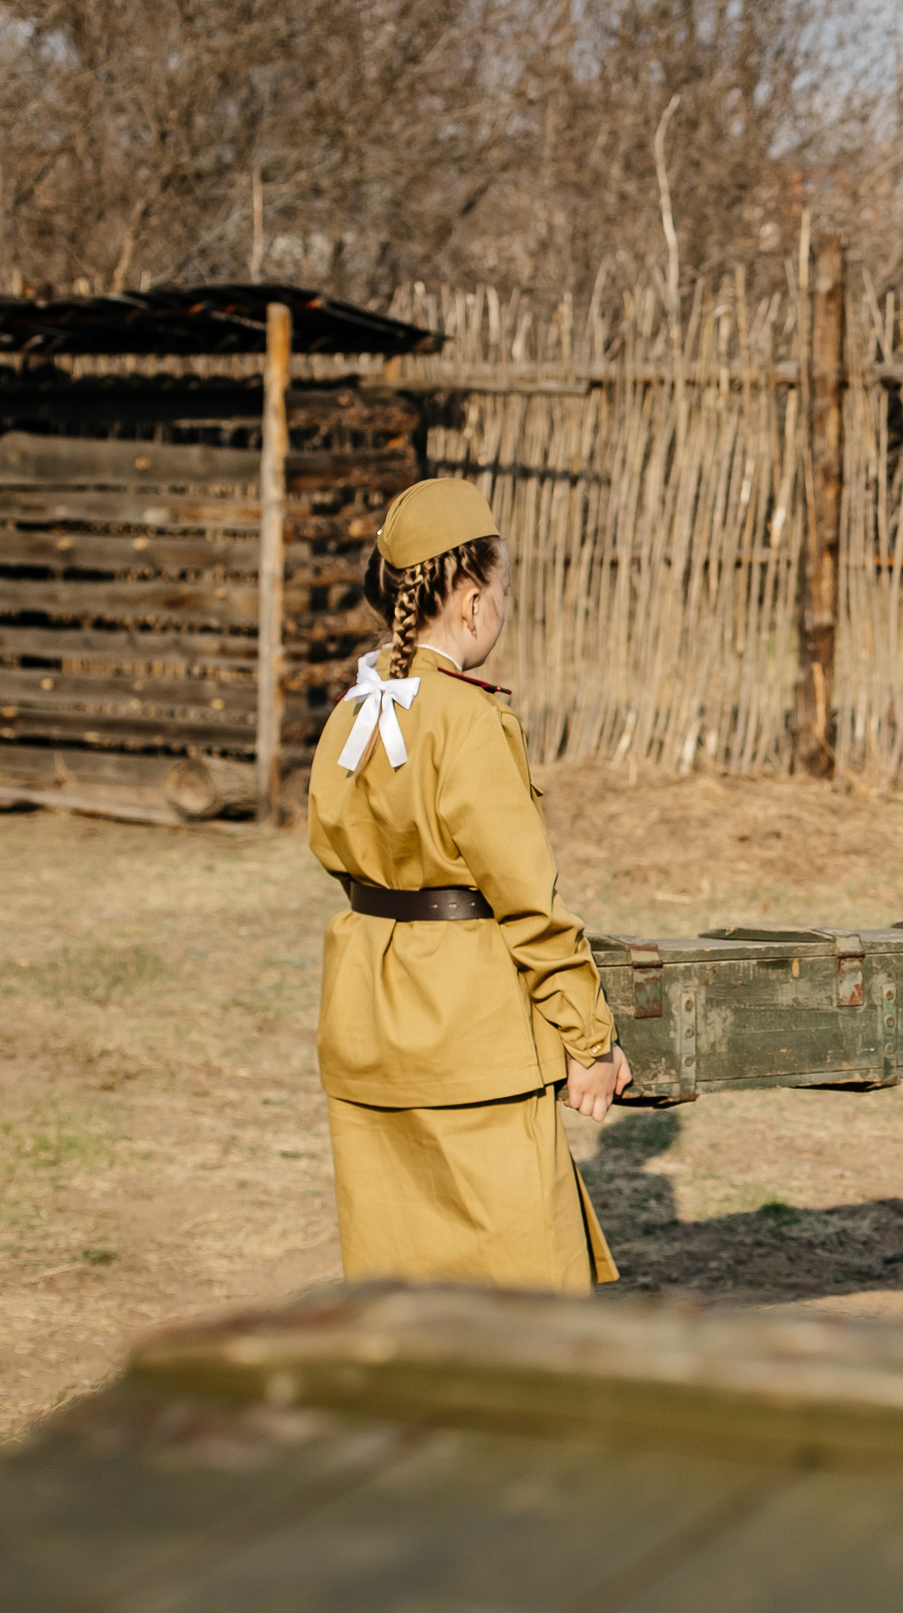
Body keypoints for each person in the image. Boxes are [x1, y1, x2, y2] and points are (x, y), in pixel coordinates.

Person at [306, 477, 629, 1294]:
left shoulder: (354, 707)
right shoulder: (467, 718)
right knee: (524, 1292)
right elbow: (529, 900)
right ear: (474, 602)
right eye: (506, 589)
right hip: (469, 1041)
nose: (506, 608)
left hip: (369, 1024)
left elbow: (329, 843)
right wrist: (589, 1040)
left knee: (398, 1284)